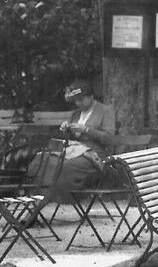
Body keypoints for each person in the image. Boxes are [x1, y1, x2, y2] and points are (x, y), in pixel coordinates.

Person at [24, 80, 119, 224]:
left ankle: (39, 206)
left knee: (62, 167)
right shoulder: (75, 114)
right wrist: (66, 129)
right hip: (72, 151)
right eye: (75, 100)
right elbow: (68, 138)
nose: (78, 103)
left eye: (81, 99)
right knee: (40, 160)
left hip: (93, 156)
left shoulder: (105, 111)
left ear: (91, 96)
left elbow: (109, 138)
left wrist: (86, 130)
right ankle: (34, 205)